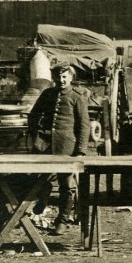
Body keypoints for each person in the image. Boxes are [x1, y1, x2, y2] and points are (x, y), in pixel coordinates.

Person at [28, 62, 92, 227]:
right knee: (38, 177)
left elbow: (84, 126)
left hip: (66, 147)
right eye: (58, 77)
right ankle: (43, 199)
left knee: (67, 185)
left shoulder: (77, 97)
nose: (61, 80)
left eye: (64, 76)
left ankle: (62, 220)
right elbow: (33, 115)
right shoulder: (48, 94)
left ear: (71, 77)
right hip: (45, 145)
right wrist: (36, 135)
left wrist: (81, 150)